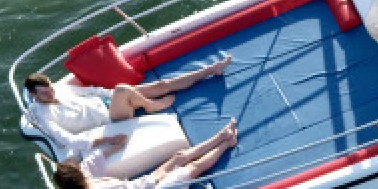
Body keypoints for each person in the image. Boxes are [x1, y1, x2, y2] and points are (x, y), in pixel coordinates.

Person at [24, 55, 231, 155]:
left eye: (50, 87)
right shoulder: (45, 116)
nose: (51, 93)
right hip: (111, 119)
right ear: (34, 95)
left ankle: (211, 70)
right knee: (123, 89)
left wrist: (111, 95)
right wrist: (109, 138)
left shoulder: (61, 89)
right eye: (45, 93)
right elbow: (68, 140)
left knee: (161, 85)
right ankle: (149, 106)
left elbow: (92, 91)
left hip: (110, 102)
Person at [53, 119, 238, 189]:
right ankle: (226, 144)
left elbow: (91, 163)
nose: (78, 166)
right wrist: (158, 177)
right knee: (191, 168)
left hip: (147, 184)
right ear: (76, 178)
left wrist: (112, 147)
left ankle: (221, 136)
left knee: (180, 156)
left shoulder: (86, 180)